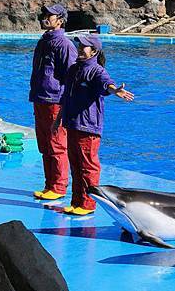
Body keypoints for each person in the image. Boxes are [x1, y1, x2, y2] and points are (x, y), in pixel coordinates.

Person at [54, 35, 134, 215]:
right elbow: (66, 97)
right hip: (72, 124)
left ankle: (88, 204)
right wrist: (58, 120)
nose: (80, 48)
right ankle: (76, 201)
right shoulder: (74, 69)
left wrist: (116, 91)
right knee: (75, 165)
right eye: (80, 45)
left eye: (85, 46)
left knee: (88, 166)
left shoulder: (97, 71)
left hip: (88, 127)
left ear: (94, 51)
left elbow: (107, 84)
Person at [30, 4, 77, 200]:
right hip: (40, 99)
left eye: (51, 15)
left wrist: (68, 103)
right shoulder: (44, 42)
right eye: (45, 14)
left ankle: (58, 187)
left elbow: (72, 75)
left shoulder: (64, 45)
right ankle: (49, 184)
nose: (46, 17)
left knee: (56, 143)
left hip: (55, 101)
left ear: (60, 20)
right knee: (44, 144)